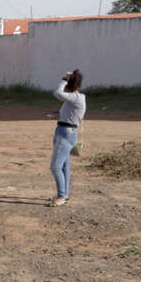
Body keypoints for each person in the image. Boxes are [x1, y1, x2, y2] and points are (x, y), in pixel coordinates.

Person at [49, 70, 86, 207]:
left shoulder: (76, 97)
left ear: (70, 85)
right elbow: (70, 116)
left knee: (55, 166)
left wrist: (64, 78)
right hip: (64, 130)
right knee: (64, 166)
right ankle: (64, 194)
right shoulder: (75, 99)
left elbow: (57, 93)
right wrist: (58, 116)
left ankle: (61, 196)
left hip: (66, 133)